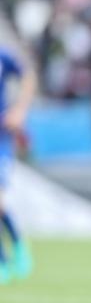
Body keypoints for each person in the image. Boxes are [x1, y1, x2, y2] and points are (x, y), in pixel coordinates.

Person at [0, 46, 36, 284]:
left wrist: (20, 110)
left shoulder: (3, 56)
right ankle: (3, 260)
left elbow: (28, 75)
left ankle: (16, 245)